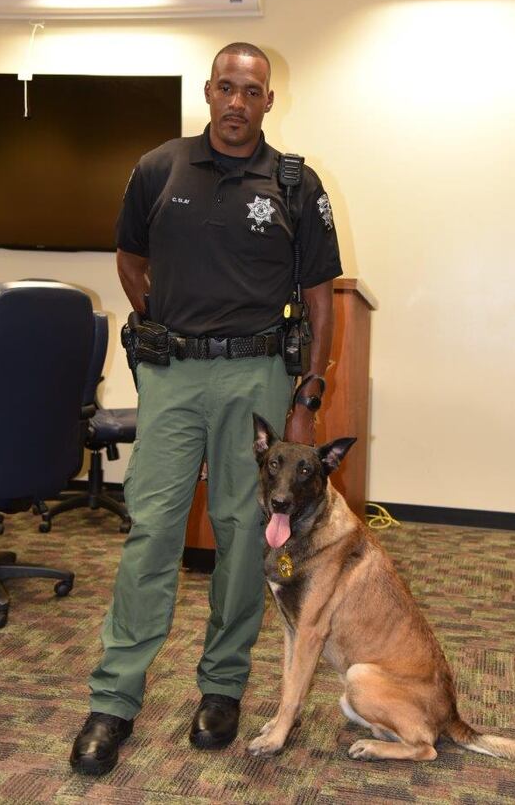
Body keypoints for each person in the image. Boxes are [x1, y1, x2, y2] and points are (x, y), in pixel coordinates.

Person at [70, 42, 342, 776]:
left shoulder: (293, 183)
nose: (236, 103)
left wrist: (307, 397)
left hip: (256, 375)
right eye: (226, 88)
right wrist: (158, 315)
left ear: (268, 102)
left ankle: (222, 686)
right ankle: (114, 698)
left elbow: (320, 296)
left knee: (244, 531)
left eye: (251, 93)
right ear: (209, 91)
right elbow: (129, 254)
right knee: (151, 527)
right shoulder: (159, 167)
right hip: (172, 377)